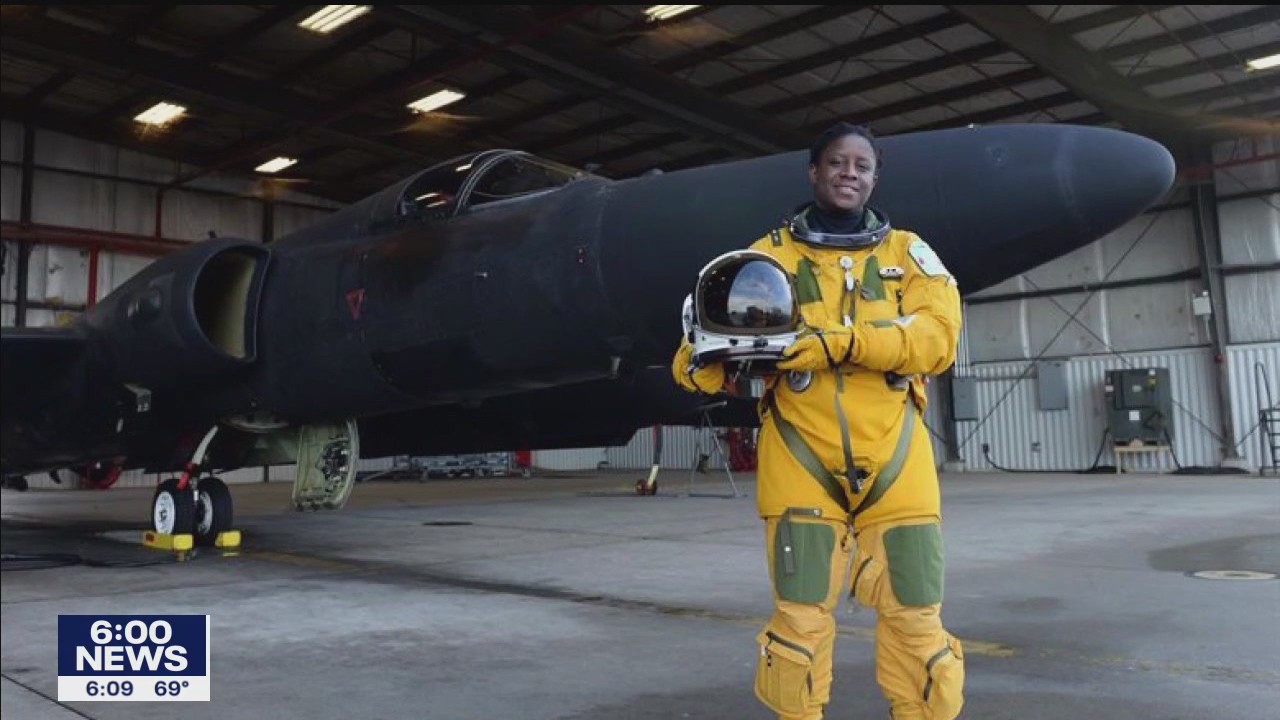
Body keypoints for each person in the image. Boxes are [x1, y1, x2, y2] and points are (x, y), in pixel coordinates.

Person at [671, 122, 965, 720]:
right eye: (837, 162)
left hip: (898, 459)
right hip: (801, 456)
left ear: (874, 177)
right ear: (815, 171)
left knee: (917, 616)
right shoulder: (766, 257)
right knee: (800, 619)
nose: (849, 173)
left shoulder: (909, 253)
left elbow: (937, 339)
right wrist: (705, 360)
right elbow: (702, 343)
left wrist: (839, 343)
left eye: (862, 164)